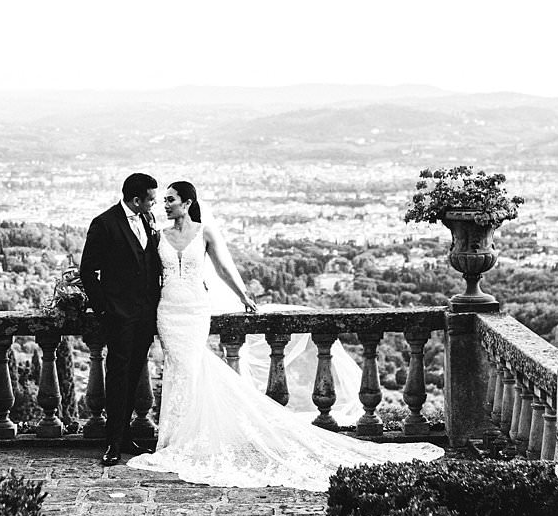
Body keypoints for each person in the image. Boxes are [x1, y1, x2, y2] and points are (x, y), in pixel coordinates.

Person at [127, 180, 444, 490]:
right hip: (168, 311)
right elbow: (146, 275)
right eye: (164, 200)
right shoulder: (159, 235)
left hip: (195, 310)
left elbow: (223, 268)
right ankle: (176, 437)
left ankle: (191, 437)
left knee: (193, 369)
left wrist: (243, 295)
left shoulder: (204, 232)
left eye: (170, 199)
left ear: (187, 202)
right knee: (178, 371)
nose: (165, 204)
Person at [79, 172, 162, 466]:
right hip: (118, 315)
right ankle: (112, 442)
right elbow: (87, 271)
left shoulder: (148, 220)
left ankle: (125, 436)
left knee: (133, 374)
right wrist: (104, 310)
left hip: (145, 315)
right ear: (136, 200)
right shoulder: (104, 223)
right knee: (117, 377)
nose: (154, 204)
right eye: (151, 199)